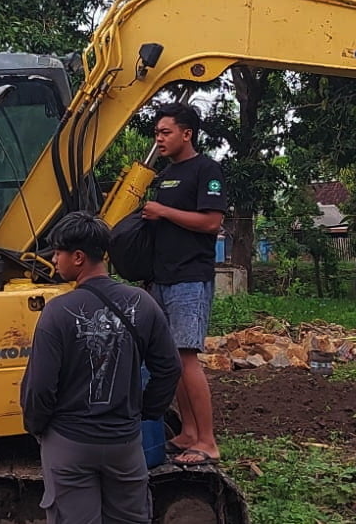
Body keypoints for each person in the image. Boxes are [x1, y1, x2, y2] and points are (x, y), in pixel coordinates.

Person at [21, 211, 181, 524]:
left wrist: (37, 427)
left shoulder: (58, 312)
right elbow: (170, 368)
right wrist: (144, 412)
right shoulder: (143, 303)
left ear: (78, 257)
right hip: (124, 444)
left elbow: (40, 386)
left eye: (59, 252)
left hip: (70, 444)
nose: (54, 259)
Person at [141, 102, 226, 467]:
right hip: (161, 277)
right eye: (157, 133)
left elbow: (211, 223)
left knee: (187, 358)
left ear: (186, 133)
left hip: (190, 278)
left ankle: (207, 440)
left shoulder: (207, 170)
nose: (158, 139)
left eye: (165, 132)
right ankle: (189, 431)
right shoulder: (164, 175)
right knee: (170, 360)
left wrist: (162, 212)